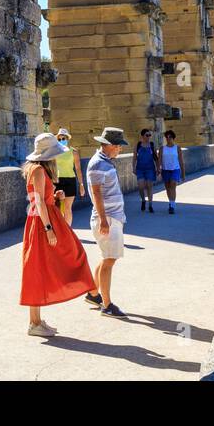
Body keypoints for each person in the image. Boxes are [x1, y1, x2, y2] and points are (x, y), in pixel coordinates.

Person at [20, 132, 97, 337]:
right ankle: (34, 322)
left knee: (41, 266)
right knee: (46, 264)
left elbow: (41, 197)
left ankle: (35, 321)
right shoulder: (37, 170)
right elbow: (36, 201)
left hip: (46, 218)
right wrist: (48, 229)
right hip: (42, 221)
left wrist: (55, 196)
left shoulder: (38, 169)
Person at [84, 126, 129, 318]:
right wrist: (103, 220)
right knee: (109, 260)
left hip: (112, 217)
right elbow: (96, 193)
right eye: (118, 146)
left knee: (107, 257)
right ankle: (107, 304)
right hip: (107, 218)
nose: (120, 149)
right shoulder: (97, 164)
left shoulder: (105, 162)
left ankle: (94, 294)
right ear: (109, 145)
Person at [52, 127, 84, 224]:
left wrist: (81, 185)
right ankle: (60, 230)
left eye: (63, 138)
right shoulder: (54, 152)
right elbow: (51, 168)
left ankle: (68, 231)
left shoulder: (73, 152)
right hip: (57, 181)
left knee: (67, 208)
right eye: (59, 139)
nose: (61, 140)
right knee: (57, 207)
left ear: (67, 139)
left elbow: (78, 169)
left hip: (70, 180)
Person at [159, 129, 185, 215]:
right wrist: (158, 169)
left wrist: (183, 174)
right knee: (167, 188)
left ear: (173, 138)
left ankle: (172, 206)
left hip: (175, 169)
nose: (168, 138)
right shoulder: (162, 148)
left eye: (170, 137)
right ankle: (170, 202)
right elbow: (159, 161)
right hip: (165, 170)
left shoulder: (177, 148)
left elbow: (181, 161)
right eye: (167, 137)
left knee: (173, 185)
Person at [134, 128, 158, 212]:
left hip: (150, 169)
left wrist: (158, 168)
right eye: (147, 135)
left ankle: (150, 205)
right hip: (140, 169)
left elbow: (156, 158)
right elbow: (134, 158)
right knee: (141, 187)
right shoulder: (138, 145)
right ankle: (143, 200)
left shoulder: (152, 145)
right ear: (142, 136)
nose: (148, 137)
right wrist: (133, 167)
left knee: (149, 187)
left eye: (149, 135)